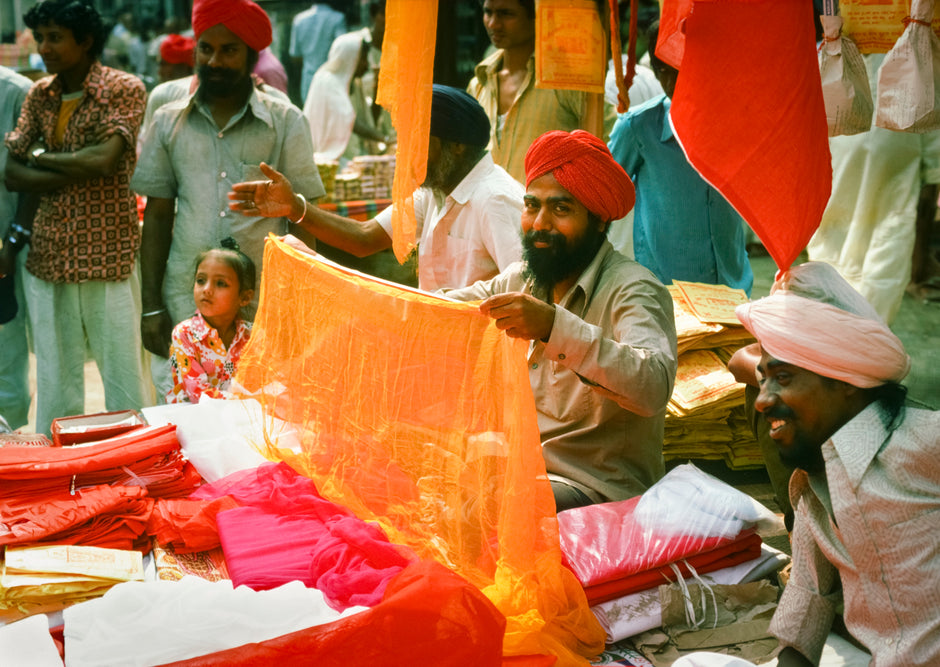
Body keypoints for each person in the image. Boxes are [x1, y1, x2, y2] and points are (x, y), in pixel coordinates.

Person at [443, 130, 678, 511]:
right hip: (521, 470)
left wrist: (554, 328)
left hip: (598, 490)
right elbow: (439, 309)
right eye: (532, 206)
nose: (539, 224)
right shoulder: (522, 280)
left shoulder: (634, 289)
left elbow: (652, 386)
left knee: (498, 510)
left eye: (561, 209)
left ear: (600, 221)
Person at [734, 261, 939, 666]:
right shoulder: (813, 483)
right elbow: (808, 598)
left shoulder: (924, 441)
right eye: (763, 379)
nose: (762, 399)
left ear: (844, 381)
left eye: (784, 377)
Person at [132, 0, 324, 397]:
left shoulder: (286, 121)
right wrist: (150, 306)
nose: (215, 60)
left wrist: (299, 308)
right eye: (207, 49)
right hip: (185, 300)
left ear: (252, 57)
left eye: (229, 50)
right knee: (184, 423)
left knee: (261, 417)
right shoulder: (168, 120)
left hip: (264, 305)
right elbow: (158, 214)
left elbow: (305, 220)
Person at [4, 0, 149, 436]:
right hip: (50, 253)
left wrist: (42, 157)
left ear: (85, 41)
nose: (44, 47)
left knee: (123, 376)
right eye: (41, 37)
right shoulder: (40, 94)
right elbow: (11, 174)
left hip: (109, 253)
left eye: (55, 37)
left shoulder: (123, 88)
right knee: (55, 376)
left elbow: (104, 161)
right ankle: (60, 471)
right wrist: (70, 163)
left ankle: (131, 462)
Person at [229, 85, 523, 293]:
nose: (404, 155)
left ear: (456, 146)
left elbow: (524, 291)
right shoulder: (434, 194)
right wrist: (295, 207)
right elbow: (364, 238)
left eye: (416, 143)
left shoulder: (495, 199)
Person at [608, 20, 753, 294]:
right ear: (657, 72)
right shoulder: (638, 128)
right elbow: (603, 200)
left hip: (734, 287)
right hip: (666, 292)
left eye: (689, 69)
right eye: (666, 71)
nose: (679, 81)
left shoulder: (739, 122)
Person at [806, 52, 940, 323]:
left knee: (886, 242)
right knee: (839, 243)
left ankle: (863, 342)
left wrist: (933, 168)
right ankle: (844, 339)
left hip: (895, 151)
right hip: (845, 152)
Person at [468, 0, 613, 184]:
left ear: (536, 17)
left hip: (545, 210)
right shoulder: (479, 84)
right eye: (488, 12)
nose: (493, 24)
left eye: (507, 14)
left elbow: (608, 142)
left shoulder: (565, 80)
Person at [167, 237, 255, 404]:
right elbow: (197, 393)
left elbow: (261, 382)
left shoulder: (253, 335)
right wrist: (245, 401)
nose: (206, 290)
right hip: (193, 418)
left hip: (237, 418)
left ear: (244, 297)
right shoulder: (184, 334)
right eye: (200, 280)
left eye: (220, 283)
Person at [0, 65, 33, 431]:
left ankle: (7, 443)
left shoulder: (15, 92)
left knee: (5, 342)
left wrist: (12, 239)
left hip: (6, 243)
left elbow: (27, 178)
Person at [302, 31, 386, 162]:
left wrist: (377, 88)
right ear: (350, 58)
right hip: (330, 159)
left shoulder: (353, 83)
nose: (366, 65)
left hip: (352, 157)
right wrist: (383, 138)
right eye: (363, 59)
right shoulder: (327, 80)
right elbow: (350, 120)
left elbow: (369, 120)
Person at [290, 2, 347, 103]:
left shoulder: (299, 20)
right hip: (331, 80)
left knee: (310, 115)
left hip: (308, 80)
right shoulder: (337, 18)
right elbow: (343, 50)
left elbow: (295, 55)